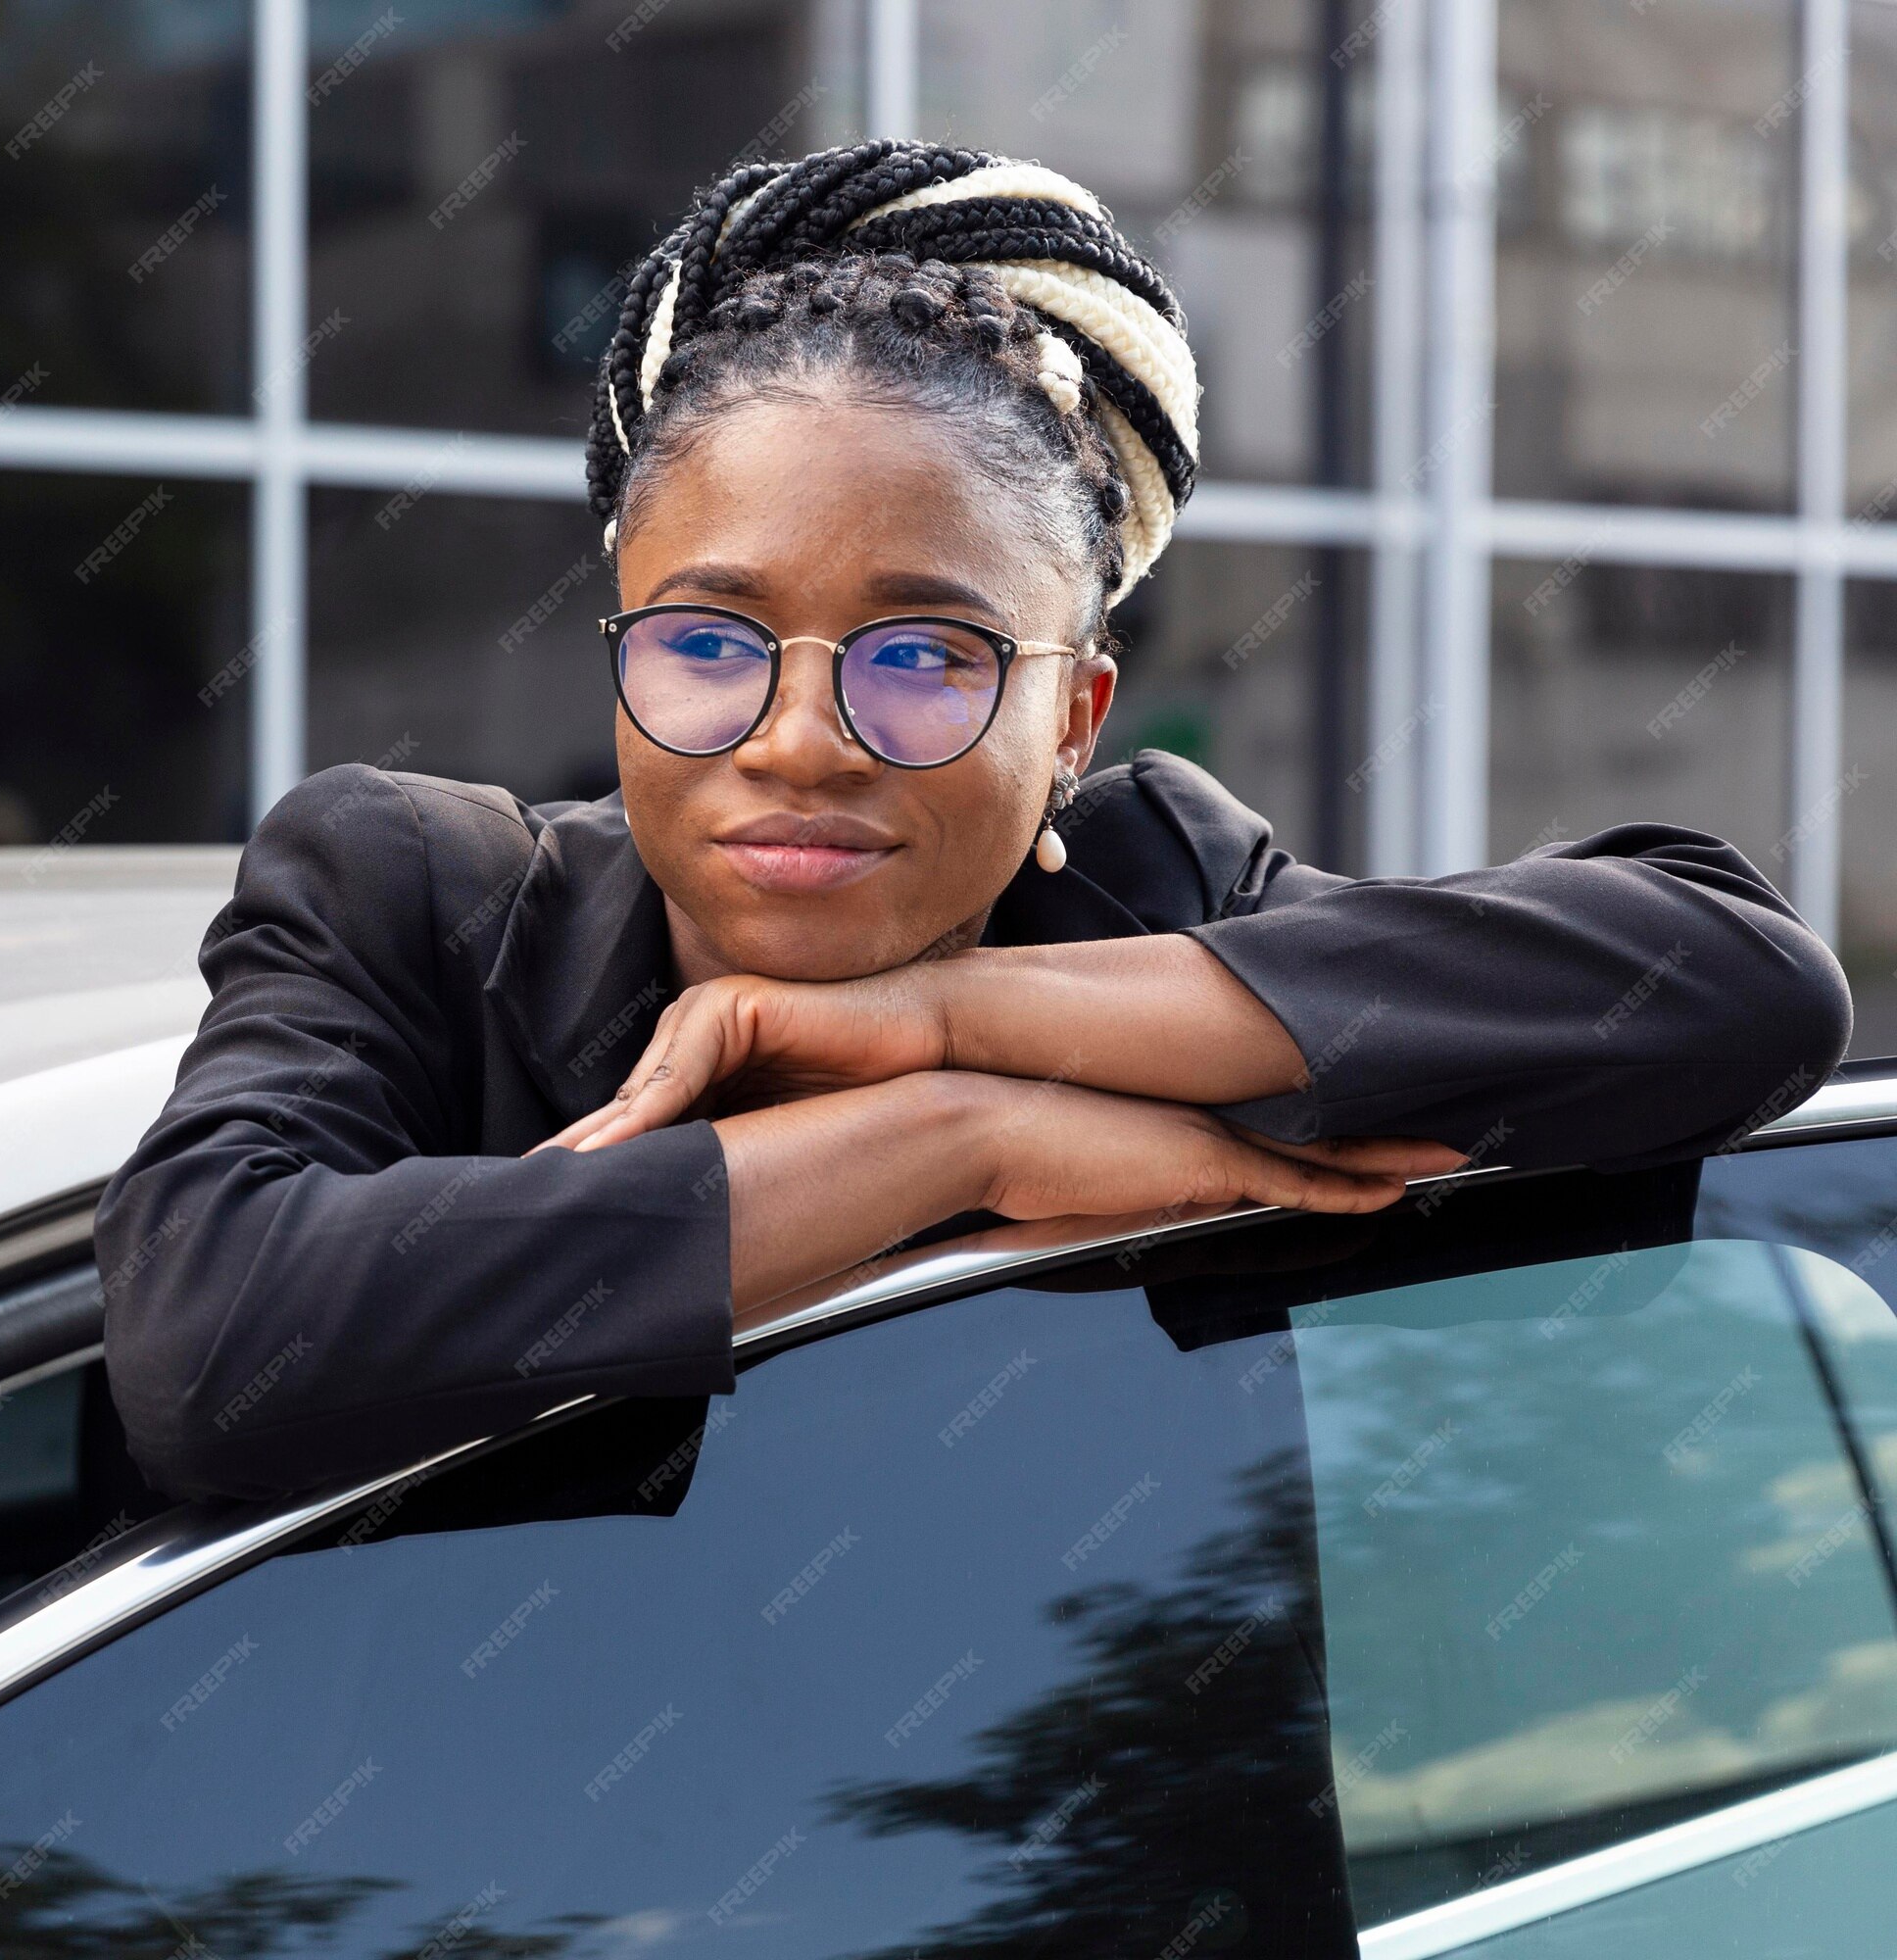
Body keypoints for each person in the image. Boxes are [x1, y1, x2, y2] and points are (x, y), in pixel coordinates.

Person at [96, 141, 1852, 1502]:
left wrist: (952, 1015)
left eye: (924, 659)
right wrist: (956, 1139)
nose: (797, 740)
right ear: (621, 650)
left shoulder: (1151, 899)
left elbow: (1735, 985)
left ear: (1075, 716)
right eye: (709, 643)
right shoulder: (413, 897)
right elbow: (212, 1343)